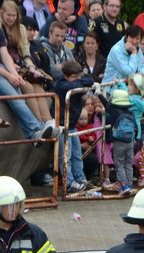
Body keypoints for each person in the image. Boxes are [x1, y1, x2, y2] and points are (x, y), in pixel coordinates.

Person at [0, 0, 56, 141]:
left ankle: (33, 134)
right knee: (14, 97)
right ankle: (36, 127)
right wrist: (8, 75)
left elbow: (5, 55)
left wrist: (15, 75)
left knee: (18, 91)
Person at [53, 59, 94, 191]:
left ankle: (80, 179)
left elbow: (89, 80)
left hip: (72, 126)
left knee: (77, 154)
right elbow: (69, 87)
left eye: (79, 76)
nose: (78, 80)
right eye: (75, 77)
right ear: (66, 76)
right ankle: (69, 183)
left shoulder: (76, 82)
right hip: (61, 126)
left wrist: (79, 80)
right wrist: (80, 82)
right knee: (66, 157)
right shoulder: (61, 85)